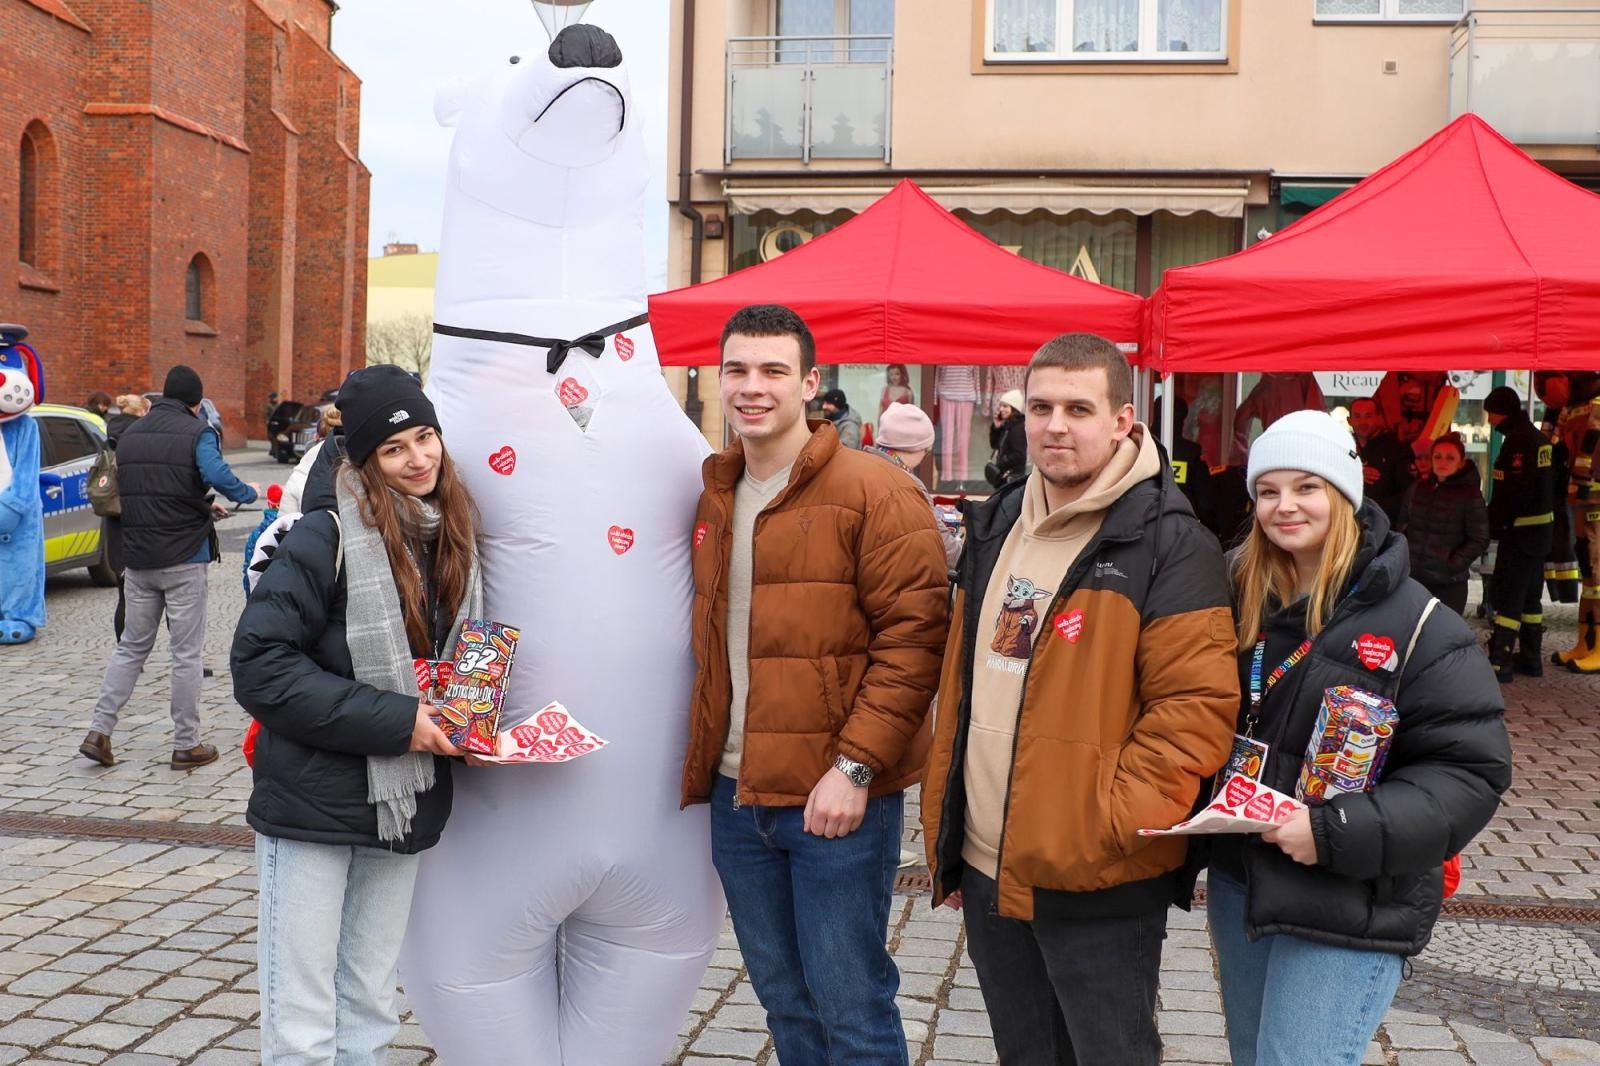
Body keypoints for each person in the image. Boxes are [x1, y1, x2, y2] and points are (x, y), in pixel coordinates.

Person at [920, 333, 1239, 1066]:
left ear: (1123, 420)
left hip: (1098, 874)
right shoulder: (998, 519)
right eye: (1040, 407)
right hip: (990, 862)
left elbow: (1194, 714)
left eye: (1078, 408)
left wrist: (1109, 826)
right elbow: (971, 679)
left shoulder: (1168, 542)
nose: (1055, 425)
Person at [683, 304, 948, 1065]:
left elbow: (915, 643)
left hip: (835, 800)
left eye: (773, 371)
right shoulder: (715, 495)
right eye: (737, 369)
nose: (752, 387)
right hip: (737, 798)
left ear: (811, 383)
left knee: (852, 1006)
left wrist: (854, 767)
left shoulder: (877, 490)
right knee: (785, 1005)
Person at [1209, 409, 1511, 1066]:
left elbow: (1468, 773)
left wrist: (1331, 830)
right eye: (1268, 491)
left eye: (1306, 486)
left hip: (1351, 895)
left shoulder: (1420, 624)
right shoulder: (1235, 598)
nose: (1284, 506)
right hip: (1242, 881)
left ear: (1345, 494)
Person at [231, 364, 478, 1064]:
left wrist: (467, 717)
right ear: (366, 461)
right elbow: (260, 667)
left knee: (369, 1009)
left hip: (404, 800)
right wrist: (401, 721)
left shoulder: (451, 538)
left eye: (426, 438)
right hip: (311, 804)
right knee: (302, 1022)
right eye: (396, 449)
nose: (418, 458)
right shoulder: (323, 537)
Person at [79, 366, 258, 769]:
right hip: (183, 558)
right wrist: (246, 492)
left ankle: (99, 731)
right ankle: (186, 744)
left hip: (139, 558)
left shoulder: (133, 433)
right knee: (186, 654)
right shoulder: (198, 432)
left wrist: (199, 501)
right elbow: (215, 474)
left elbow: (153, 486)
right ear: (196, 403)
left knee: (130, 648)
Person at [1483, 385, 1556, 682]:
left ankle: (1500, 662)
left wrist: (1494, 524)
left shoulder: (1518, 442)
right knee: (1530, 600)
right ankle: (1530, 658)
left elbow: (1511, 494)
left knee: (1509, 597)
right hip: (1539, 536)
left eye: (1490, 413)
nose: (1489, 420)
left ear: (1501, 411)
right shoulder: (1540, 439)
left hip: (1519, 534)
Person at [1540, 370, 1600, 671]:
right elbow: (1556, 441)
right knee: (1588, 573)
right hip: (1580, 497)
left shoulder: (1596, 401)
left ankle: (1599, 646)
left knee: (1598, 571)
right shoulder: (1577, 403)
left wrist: (1582, 479)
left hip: (1595, 496)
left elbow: (1591, 443)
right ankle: (1586, 641)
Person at [1397, 433, 1489, 616]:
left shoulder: (1470, 495)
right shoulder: (1417, 488)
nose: (1443, 462)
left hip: (1449, 584)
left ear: (1461, 462)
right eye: (1437, 456)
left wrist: (1452, 565)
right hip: (1414, 579)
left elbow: (1479, 538)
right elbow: (1402, 526)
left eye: (1450, 458)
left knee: (1443, 638)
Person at [869, 401, 964, 569]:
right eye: (926, 451)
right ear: (915, 448)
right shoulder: (910, 485)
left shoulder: (860, 468)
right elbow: (943, 546)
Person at [1153, 394, 1218, 536]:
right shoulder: (1191, 453)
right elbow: (1206, 503)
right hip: (1183, 531)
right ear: (1182, 420)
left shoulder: (1139, 447)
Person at [1347, 397, 1414, 524]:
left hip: (1383, 524)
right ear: (1349, 420)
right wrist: (1353, 473)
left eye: (1368, 416)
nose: (1363, 422)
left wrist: (1372, 511)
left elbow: (1407, 493)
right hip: (1346, 523)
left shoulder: (1396, 448)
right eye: (1357, 416)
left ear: (1378, 418)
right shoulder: (1342, 446)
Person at [986, 387, 1027, 488]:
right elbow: (994, 445)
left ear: (1014, 408)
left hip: (1012, 479)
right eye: (1000, 406)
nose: (1001, 409)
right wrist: (996, 427)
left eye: (1005, 406)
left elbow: (1019, 456)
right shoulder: (1008, 425)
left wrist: (1001, 462)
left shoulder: (1018, 428)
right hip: (1006, 478)